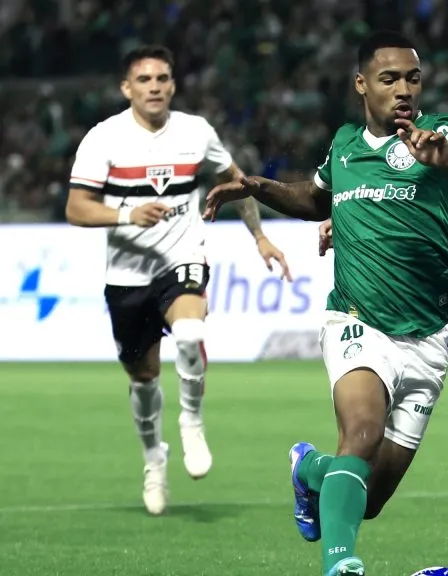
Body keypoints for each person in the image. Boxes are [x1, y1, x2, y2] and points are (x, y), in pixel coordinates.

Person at [204, 31, 448, 576]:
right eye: (390, 78)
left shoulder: (445, 136)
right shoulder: (346, 143)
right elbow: (315, 197)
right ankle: (342, 565)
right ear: (362, 84)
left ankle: (309, 469)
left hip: (426, 339)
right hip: (356, 320)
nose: (404, 89)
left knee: (367, 499)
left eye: (413, 78)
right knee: (362, 433)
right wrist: (257, 186)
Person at [64, 45, 290, 516]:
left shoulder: (195, 132)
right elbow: (76, 208)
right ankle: (153, 458)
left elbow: (236, 182)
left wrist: (260, 237)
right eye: (144, 80)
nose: (154, 87)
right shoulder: (103, 139)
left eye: (162, 79)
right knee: (143, 379)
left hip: (182, 258)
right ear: (127, 88)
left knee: (190, 332)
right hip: (127, 276)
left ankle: (192, 421)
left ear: (172, 84)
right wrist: (127, 213)